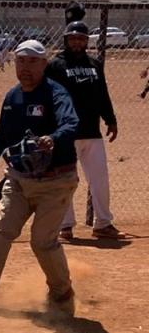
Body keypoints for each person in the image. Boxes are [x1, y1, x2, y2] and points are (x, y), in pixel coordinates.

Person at [0, 40, 80, 317]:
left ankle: (62, 292)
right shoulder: (12, 97)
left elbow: (71, 123)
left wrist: (51, 139)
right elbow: (1, 138)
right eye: (21, 61)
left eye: (32, 62)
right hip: (19, 179)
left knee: (42, 241)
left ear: (44, 64)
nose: (25, 68)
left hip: (56, 181)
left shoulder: (56, 93)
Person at [45, 21, 126, 241]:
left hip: (92, 130)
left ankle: (103, 224)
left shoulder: (94, 64)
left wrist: (110, 119)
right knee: (66, 180)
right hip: (65, 133)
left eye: (81, 38)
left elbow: (102, 93)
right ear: (66, 39)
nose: (77, 42)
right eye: (73, 38)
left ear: (87, 41)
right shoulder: (55, 65)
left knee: (100, 179)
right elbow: (48, 98)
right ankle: (65, 226)